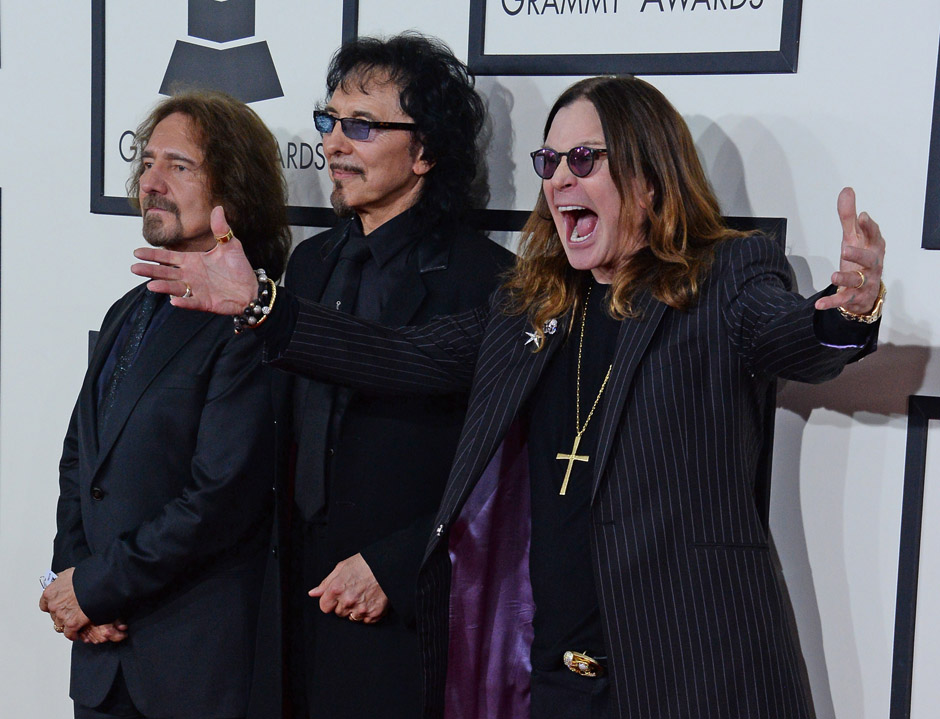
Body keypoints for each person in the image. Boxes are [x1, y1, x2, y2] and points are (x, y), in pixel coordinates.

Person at [132, 75, 886, 719]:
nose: (559, 179)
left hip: (688, 676)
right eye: (550, 161)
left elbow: (796, 338)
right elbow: (404, 355)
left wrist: (847, 313)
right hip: (553, 682)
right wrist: (263, 304)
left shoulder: (724, 278)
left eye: (584, 159)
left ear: (650, 176)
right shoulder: (533, 305)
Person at [263, 33, 512, 719]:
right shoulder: (308, 265)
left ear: (425, 150)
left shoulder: (484, 281)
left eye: (363, 126)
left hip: (401, 614)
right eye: (329, 120)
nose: (334, 143)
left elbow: (499, 470)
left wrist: (399, 566)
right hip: (291, 604)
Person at [41, 90, 291, 719]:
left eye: (179, 166)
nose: (151, 182)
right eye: (147, 163)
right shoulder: (126, 310)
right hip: (102, 659)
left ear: (232, 188)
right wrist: (73, 582)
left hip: (192, 669)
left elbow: (219, 499)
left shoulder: (249, 323)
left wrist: (98, 587)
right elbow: (80, 462)